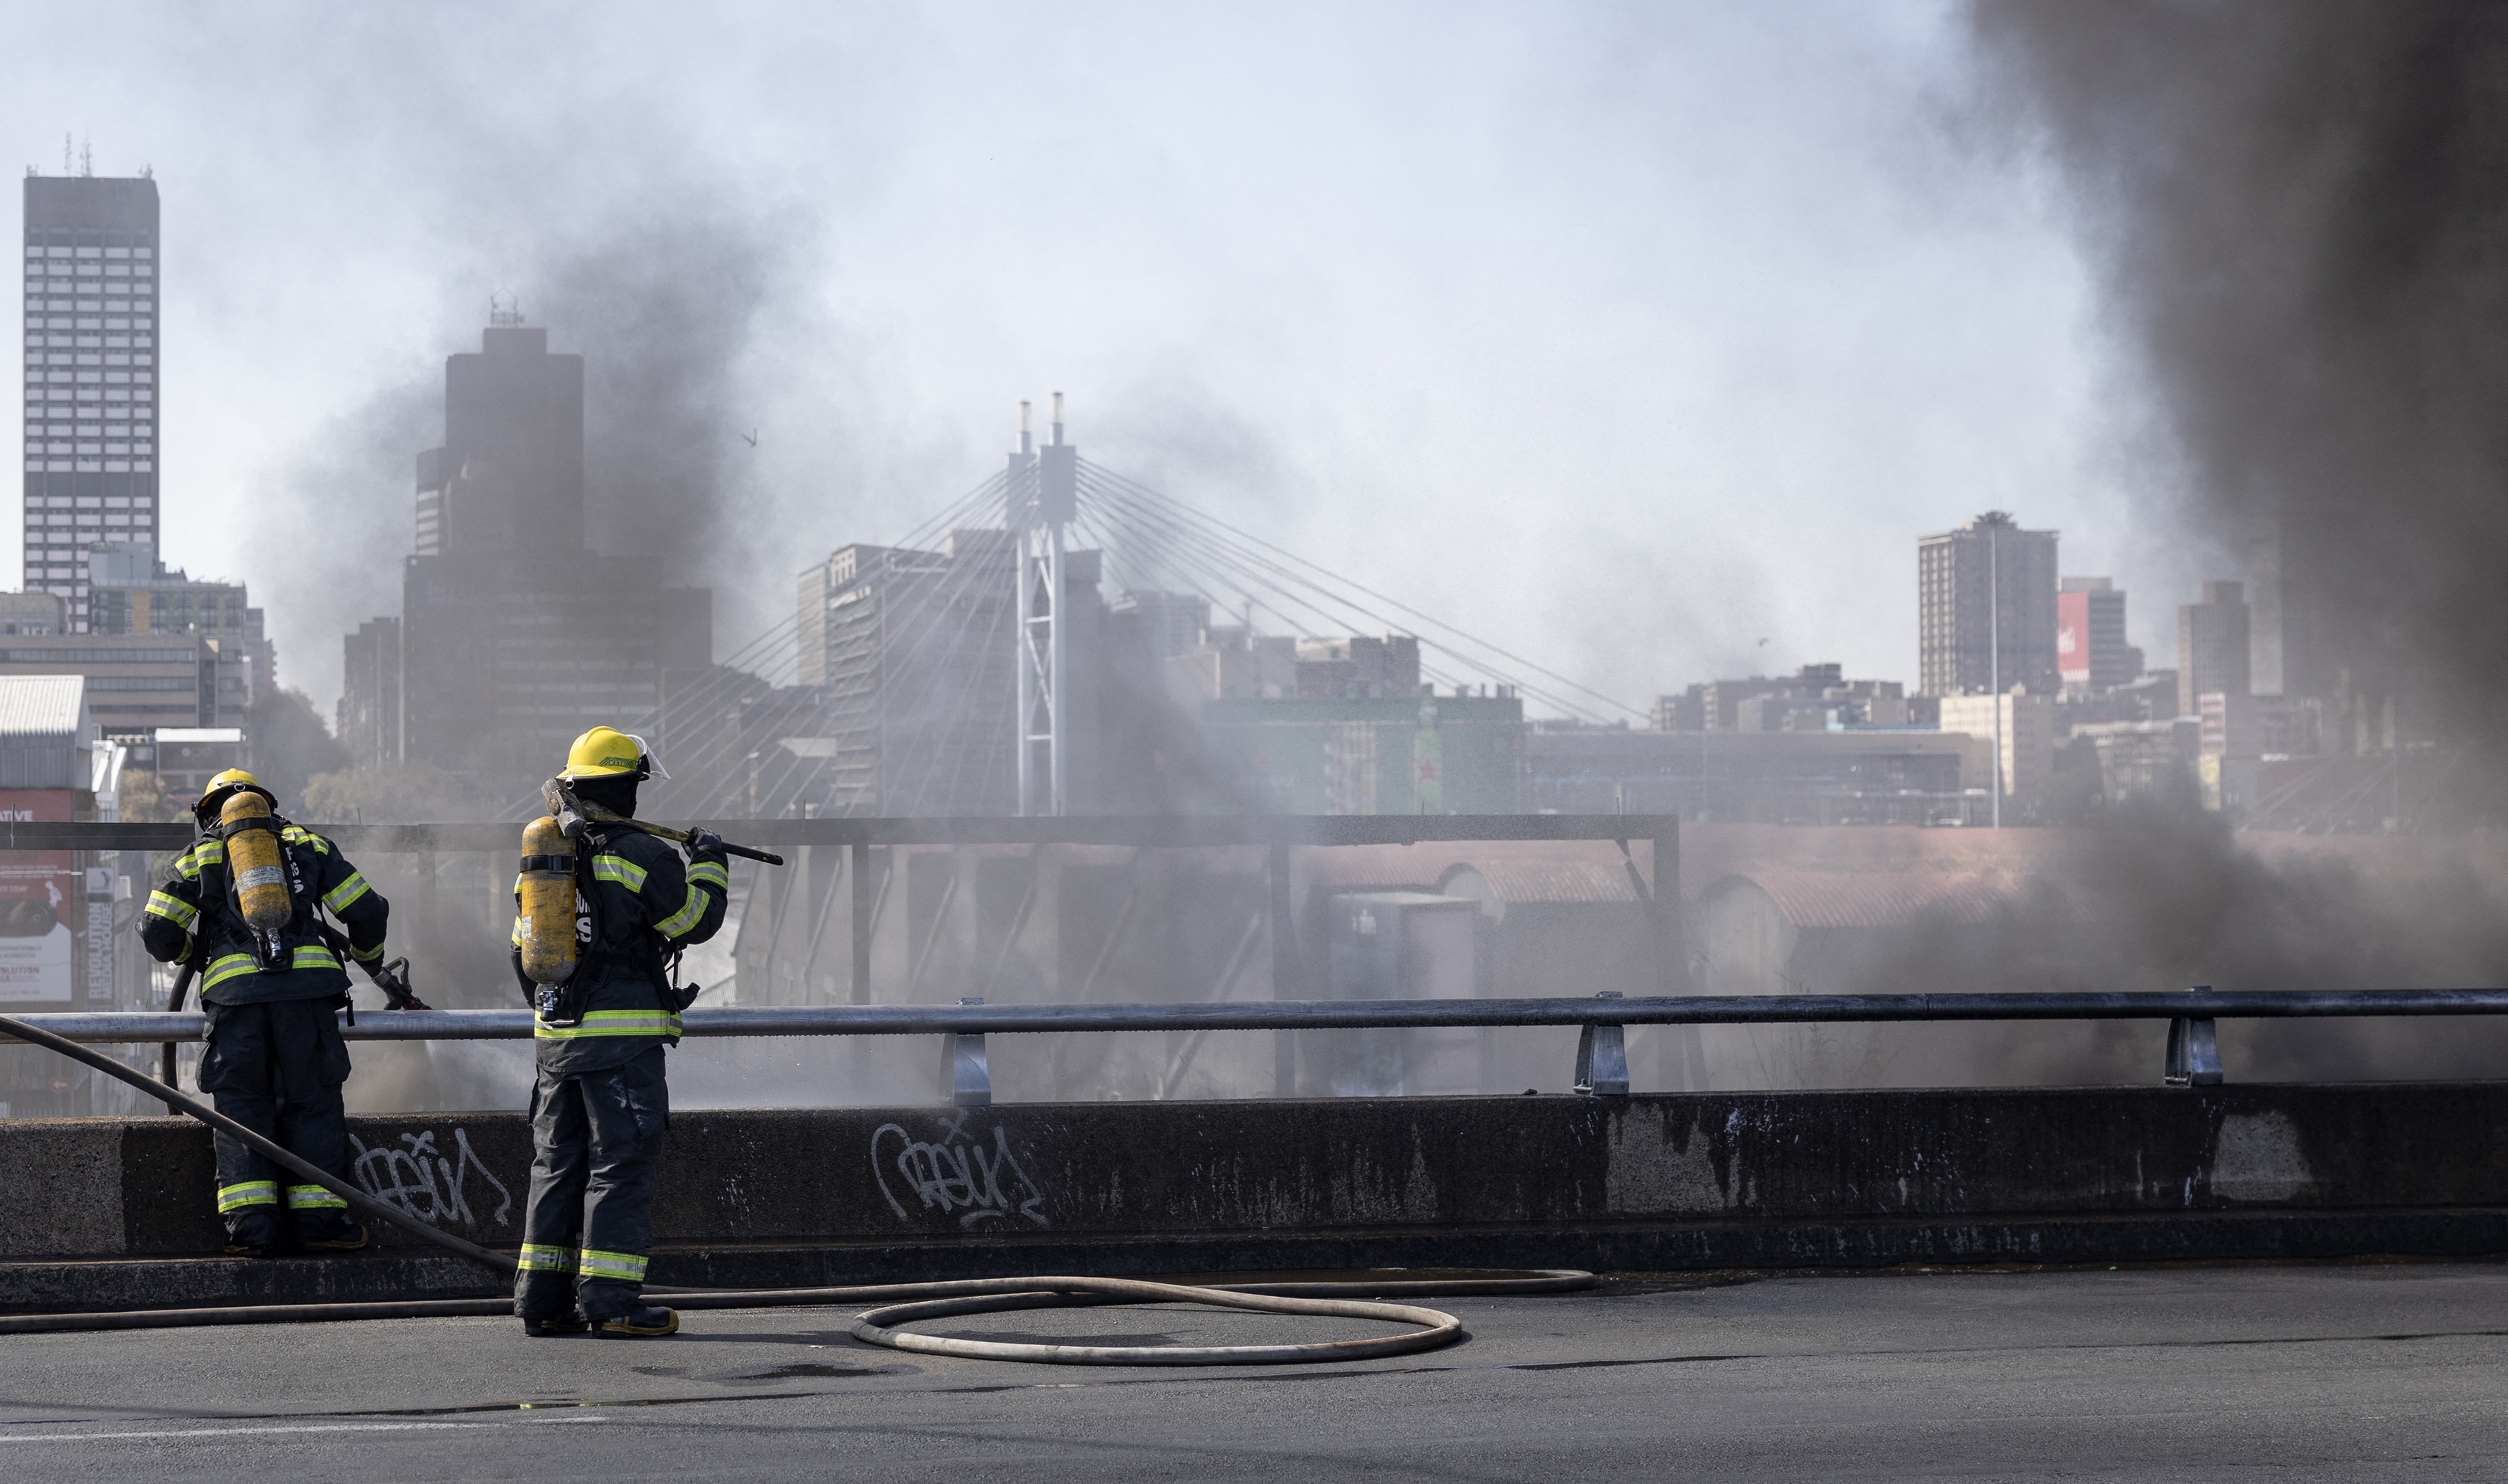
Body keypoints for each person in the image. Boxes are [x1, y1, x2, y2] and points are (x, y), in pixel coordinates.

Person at [512, 726, 728, 1339]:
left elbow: (521, 950)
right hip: (622, 1045)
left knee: (556, 1166)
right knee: (619, 1167)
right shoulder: (641, 852)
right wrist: (710, 861)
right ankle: (610, 1304)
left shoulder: (545, 857)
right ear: (625, 787)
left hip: (556, 1044)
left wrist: (561, 1013)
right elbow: (694, 920)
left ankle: (543, 1304)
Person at [138, 769, 391, 1257]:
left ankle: (252, 1233)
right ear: (268, 806)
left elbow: (155, 929)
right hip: (307, 997)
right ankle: (320, 1226)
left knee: (242, 1112)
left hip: (235, 1004)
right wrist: (369, 961)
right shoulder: (306, 845)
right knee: (313, 1106)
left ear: (207, 812)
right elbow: (367, 912)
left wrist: (193, 948)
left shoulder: (201, 854)